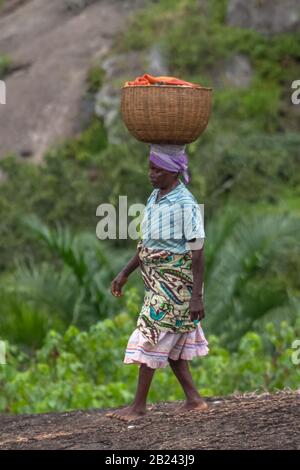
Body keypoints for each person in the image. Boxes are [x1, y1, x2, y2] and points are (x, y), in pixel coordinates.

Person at [107, 144, 209, 422]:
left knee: (151, 333)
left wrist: (196, 296)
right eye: (150, 168)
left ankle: (138, 406)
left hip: (176, 286)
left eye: (157, 170)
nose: (151, 174)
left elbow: (198, 250)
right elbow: (147, 243)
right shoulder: (155, 196)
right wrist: (125, 272)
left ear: (174, 171)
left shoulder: (185, 204)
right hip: (156, 282)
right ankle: (194, 400)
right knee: (173, 342)